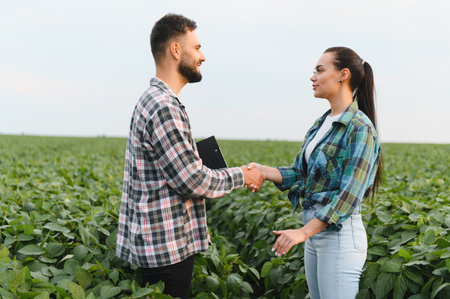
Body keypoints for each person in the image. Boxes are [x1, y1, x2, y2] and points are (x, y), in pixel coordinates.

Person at [115, 13, 264, 299]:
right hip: (166, 249)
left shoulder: (155, 99)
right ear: (175, 49)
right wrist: (242, 175)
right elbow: (192, 180)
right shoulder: (163, 106)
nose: (203, 56)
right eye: (196, 47)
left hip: (159, 244)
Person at [248, 47, 382, 299]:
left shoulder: (360, 128)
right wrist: (263, 171)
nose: (313, 77)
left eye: (320, 70)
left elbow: (348, 196)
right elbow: (301, 174)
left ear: (343, 75)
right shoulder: (322, 123)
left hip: (339, 238)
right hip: (315, 233)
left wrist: (302, 233)